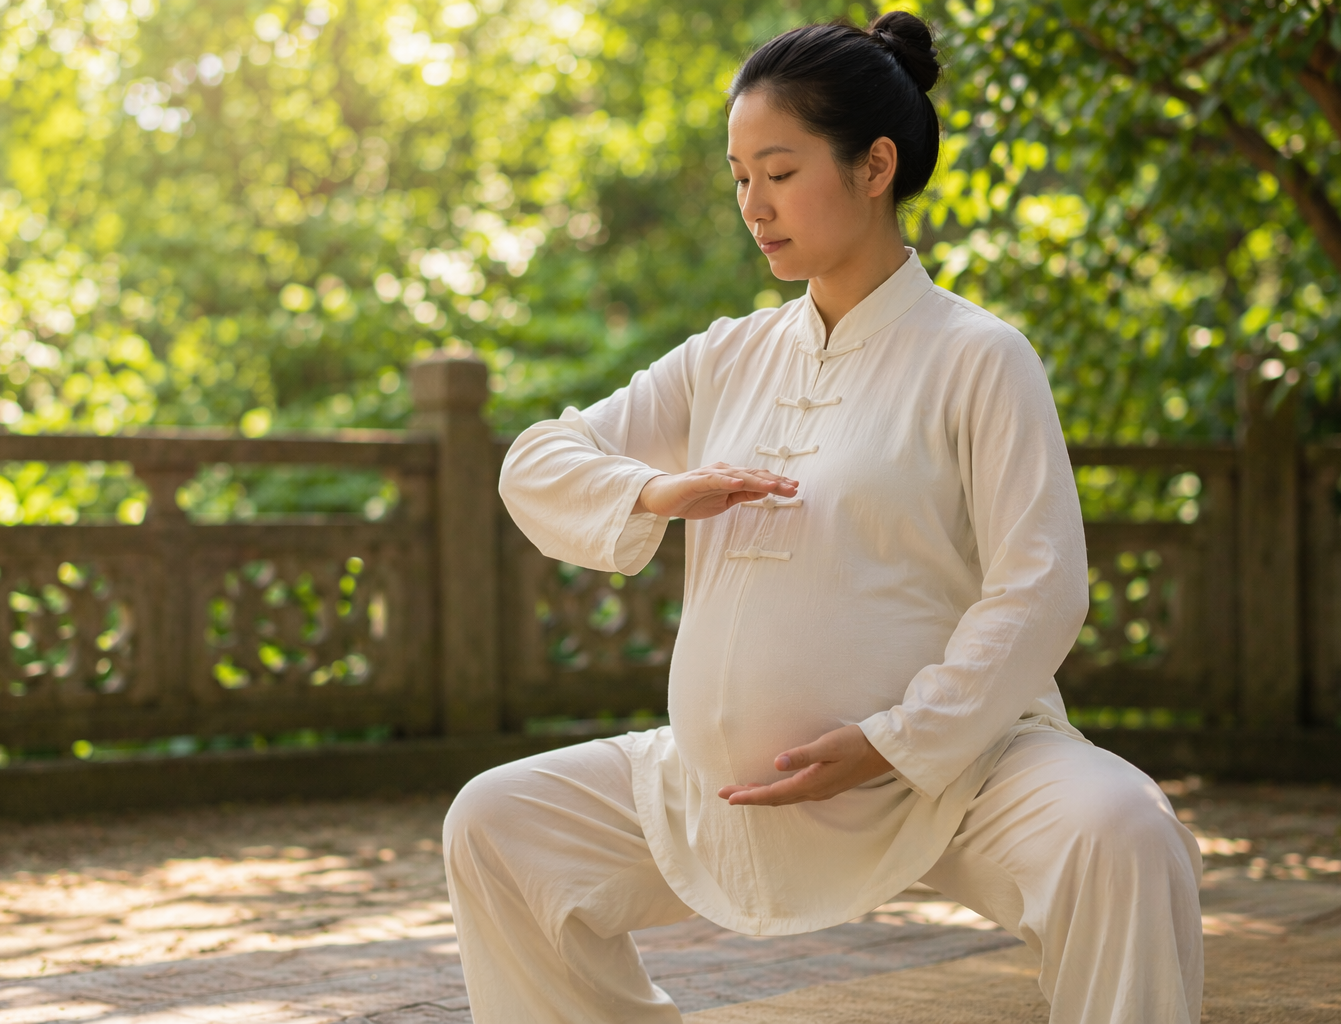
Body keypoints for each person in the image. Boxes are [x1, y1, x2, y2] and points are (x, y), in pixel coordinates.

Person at [444, 13, 1203, 1023]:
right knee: (497, 820)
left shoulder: (978, 357)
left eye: (780, 171)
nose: (754, 206)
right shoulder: (729, 355)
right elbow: (535, 461)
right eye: (738, 177)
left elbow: (1042, 586)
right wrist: (656, 492)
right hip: (719, 790)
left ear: (874, 165)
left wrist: (897, 739)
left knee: (1127, 831)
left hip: (950, 771)